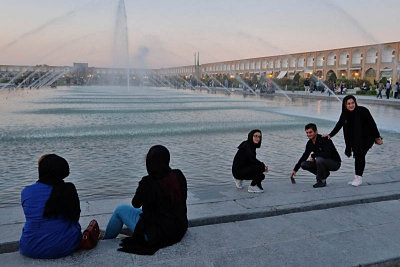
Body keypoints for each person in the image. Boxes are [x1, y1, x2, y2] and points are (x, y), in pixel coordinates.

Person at [104, 145, 188, 255]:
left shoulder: (148, 183)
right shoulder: (178, 175)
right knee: (147, 212)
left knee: (120, 210)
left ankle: (104, 242)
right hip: (178, 228)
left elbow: (135, 204)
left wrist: (142, 188)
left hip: (156, 235)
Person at [19, 154, 82, 259]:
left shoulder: (26, 191)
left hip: (28, 247)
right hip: (63, 247)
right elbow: (75, 217)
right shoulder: (68, 189)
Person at [324, 95, 383, 186]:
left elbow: (372, 124)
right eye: (348, 104)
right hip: (355, 138)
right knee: (357, 154)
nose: (351, 105)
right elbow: (339, 125)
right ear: (345, 105)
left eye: (352, 103)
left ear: (355, 103)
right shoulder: (345, 114)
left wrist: (377, 137)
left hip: (367, 137)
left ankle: (359, 178)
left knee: (360, 154)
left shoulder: (363, 111)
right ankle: (357, 177)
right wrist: (330, 135)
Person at [291, 123, 341, 188]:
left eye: (310, 132)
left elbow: (327, 154)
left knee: (319, 159)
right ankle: (325, 174)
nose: (308, 134)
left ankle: (321, 181)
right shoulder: (309, 143)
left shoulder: (324, 139)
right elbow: (304, 156)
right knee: (303, 164)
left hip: (335, 163)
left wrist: (313, 155)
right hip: (322, 162)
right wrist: (295, 169)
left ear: (316, 132)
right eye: (307, 133)